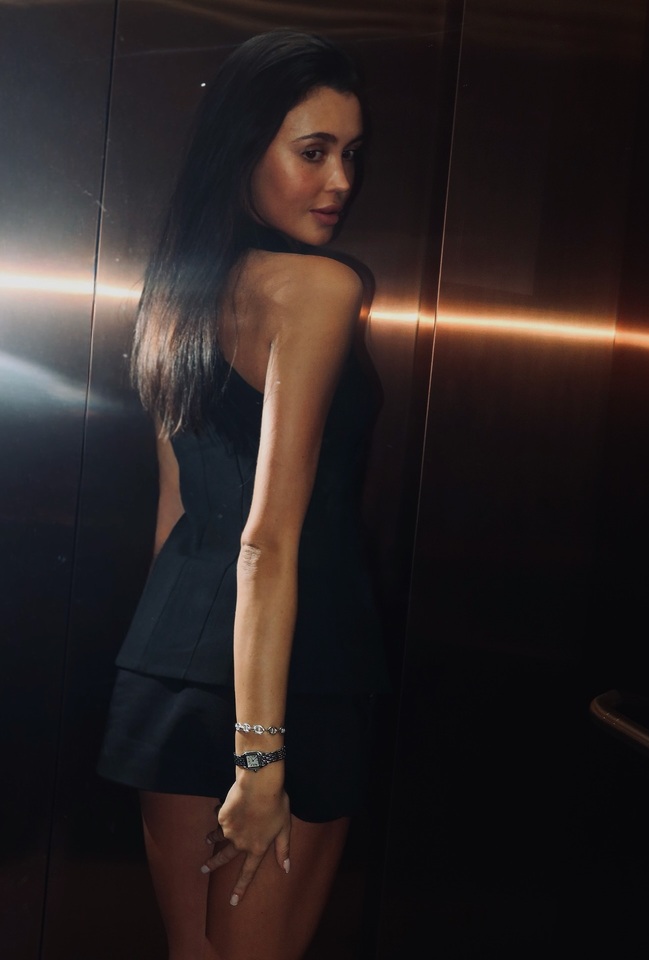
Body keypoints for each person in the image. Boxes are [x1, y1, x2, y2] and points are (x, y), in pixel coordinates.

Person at [97, 30, 389, 960]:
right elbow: (267, 540)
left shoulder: (172, 291)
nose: (339, 181)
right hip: (292, 673)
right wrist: (260, 756)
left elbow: (176, 510)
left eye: (350, 154)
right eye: (313, 152)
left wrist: (180, 673)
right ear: (243, 149)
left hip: (172, 664)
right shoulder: (318, 289)